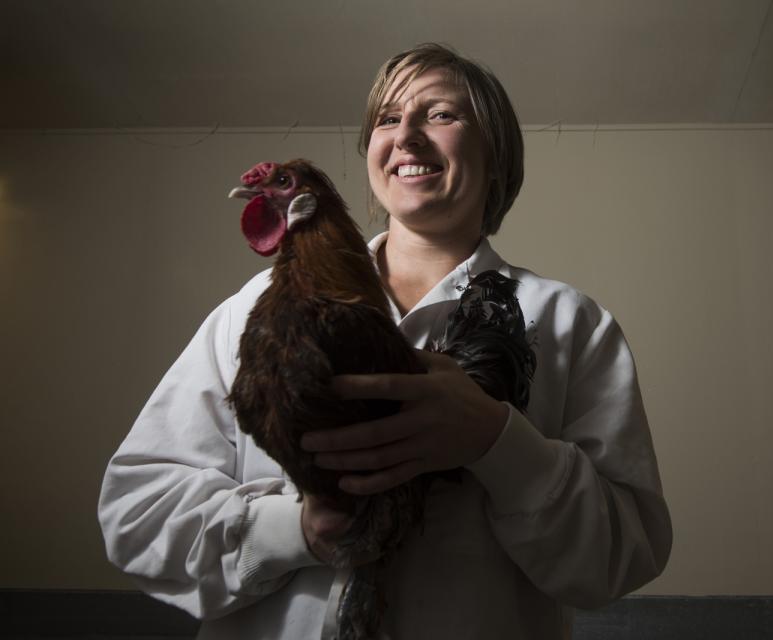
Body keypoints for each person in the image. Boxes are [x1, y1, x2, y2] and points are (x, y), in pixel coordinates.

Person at [98, 43, 672, 639]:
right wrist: (295, 529)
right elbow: (138, 512)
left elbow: (622, 556)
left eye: (442, 114)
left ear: (496, 156)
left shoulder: (569, 322)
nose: (407, 137)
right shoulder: (252, 310)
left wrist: (497, 441)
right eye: (388, 119)